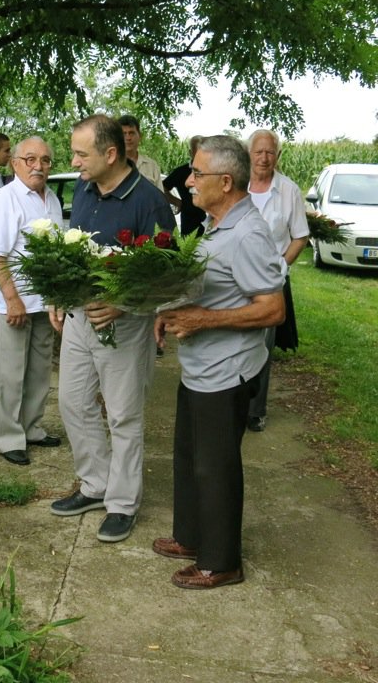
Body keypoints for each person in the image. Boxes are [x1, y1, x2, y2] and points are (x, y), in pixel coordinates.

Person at [152, 135, 285, 589]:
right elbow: (214, 287)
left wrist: (203, 320)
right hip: (202, 367)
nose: (188, 181)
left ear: (225, 182)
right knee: (191, 457)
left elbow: (272, 309)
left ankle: (221, 561)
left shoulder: (248, 233)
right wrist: (169, 313)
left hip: (228, 370)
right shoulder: (217, 223)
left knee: (216, 466)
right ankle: (192, 537)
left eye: (197, 174)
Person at [49, 114, 175, 543]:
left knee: (123, 415)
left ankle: (122, 503)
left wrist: (121, 305)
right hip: (80, 319)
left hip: (125, 325)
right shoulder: (84, 191)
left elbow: (167, 273)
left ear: (109, 153)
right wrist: (60, 293)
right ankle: (95, 485)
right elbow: (73, 250)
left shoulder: (149, 202)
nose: (73, 161)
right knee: (72, 402)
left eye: (80, 154)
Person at [0, 136, 63, 466]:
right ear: (15, 163)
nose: (38, 166)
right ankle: (7, 437)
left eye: (45, 160)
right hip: (15, 303)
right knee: (11, 373)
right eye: (30, 159)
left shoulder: (52, 201)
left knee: (39, 372)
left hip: (44, 302)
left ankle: (31, 427)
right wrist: (12, 299)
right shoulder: (7, 198)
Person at [246, 129, 309, 432]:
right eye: (258, 151)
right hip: (234, 277)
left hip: (269, 280)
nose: (264, 158)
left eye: (270, 152)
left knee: (262, 345)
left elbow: (300, 236)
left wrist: (282, 266)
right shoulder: (234, 184)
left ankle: (255, 410)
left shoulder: (289, 191)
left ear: (278, 156)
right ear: (249, 154)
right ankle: (231, 402)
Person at [163, 135, 207, 236]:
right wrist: (177, 202)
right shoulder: (181, 172)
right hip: (188, 219)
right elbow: (162, 187)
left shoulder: (212, 171)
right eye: (198, 153)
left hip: (208, 218)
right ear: (190, 153)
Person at [118, 115, 164, 191]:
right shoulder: (110, 165)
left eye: (131, 133)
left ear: (140, 136)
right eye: (124, 134)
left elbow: (160, 198)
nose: (128, 138)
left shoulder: (151, 166)